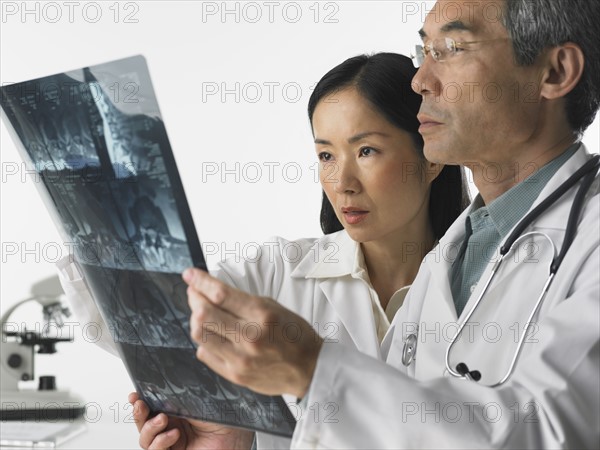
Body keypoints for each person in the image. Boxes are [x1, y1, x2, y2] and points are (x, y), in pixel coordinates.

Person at [181, 0, 600, 448]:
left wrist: (314, 370)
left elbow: (548, 433)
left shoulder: (587, 239)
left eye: (452, 48)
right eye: (424, 52)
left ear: (554, 72)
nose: (420, 80)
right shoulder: (451, 256)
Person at [56, 53, 469, 448]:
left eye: (366, 151)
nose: (342, 181)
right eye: (326, 155)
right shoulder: (273, 274)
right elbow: (148, 321)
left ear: (429, 156)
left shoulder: (485, 288)